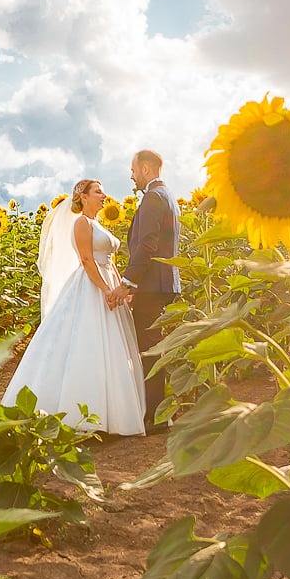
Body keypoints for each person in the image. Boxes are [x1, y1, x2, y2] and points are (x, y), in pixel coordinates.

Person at [2, 178, 147, 436]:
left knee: (112, 347)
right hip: (91, 287)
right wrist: (105, 290)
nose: (104, 196)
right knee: (88, 345)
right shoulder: (81, 223)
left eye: (103, 191)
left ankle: (113, 413)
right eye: (98, 192)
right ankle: (80, 414)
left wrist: (121, 290)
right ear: (83, 196)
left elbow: (108, 261)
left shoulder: (97, 224)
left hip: (111, 285)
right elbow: (87, 259)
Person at [122, 149, 181, 425]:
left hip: (151, 285)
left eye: (133, 170)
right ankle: (159, 413)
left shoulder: (153, 198)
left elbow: (146, 245)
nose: (131, 176)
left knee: (149, 349)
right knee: (153, 345)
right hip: (160, 283)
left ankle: (156, 417)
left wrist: (128, 283)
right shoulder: (166, 196)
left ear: (145, 169)